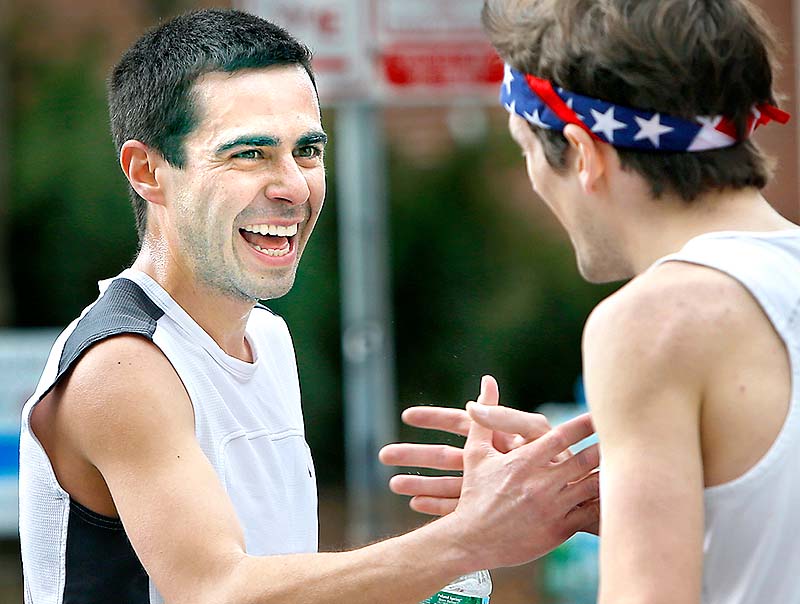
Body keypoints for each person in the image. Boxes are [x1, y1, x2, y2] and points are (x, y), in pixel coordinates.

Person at [17, 8, 601, 604]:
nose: (293, 185)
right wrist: (471, 538)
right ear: (149, 171)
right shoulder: (122, 365)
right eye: (249, 154)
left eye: (308, 150)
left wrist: (549, 501)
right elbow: (218, 590)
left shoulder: (267, 338)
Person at [383, 1, 800, 603]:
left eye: (526, 148)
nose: (532, 177)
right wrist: (631, 496)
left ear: (584, 155)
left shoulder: (652, 322)